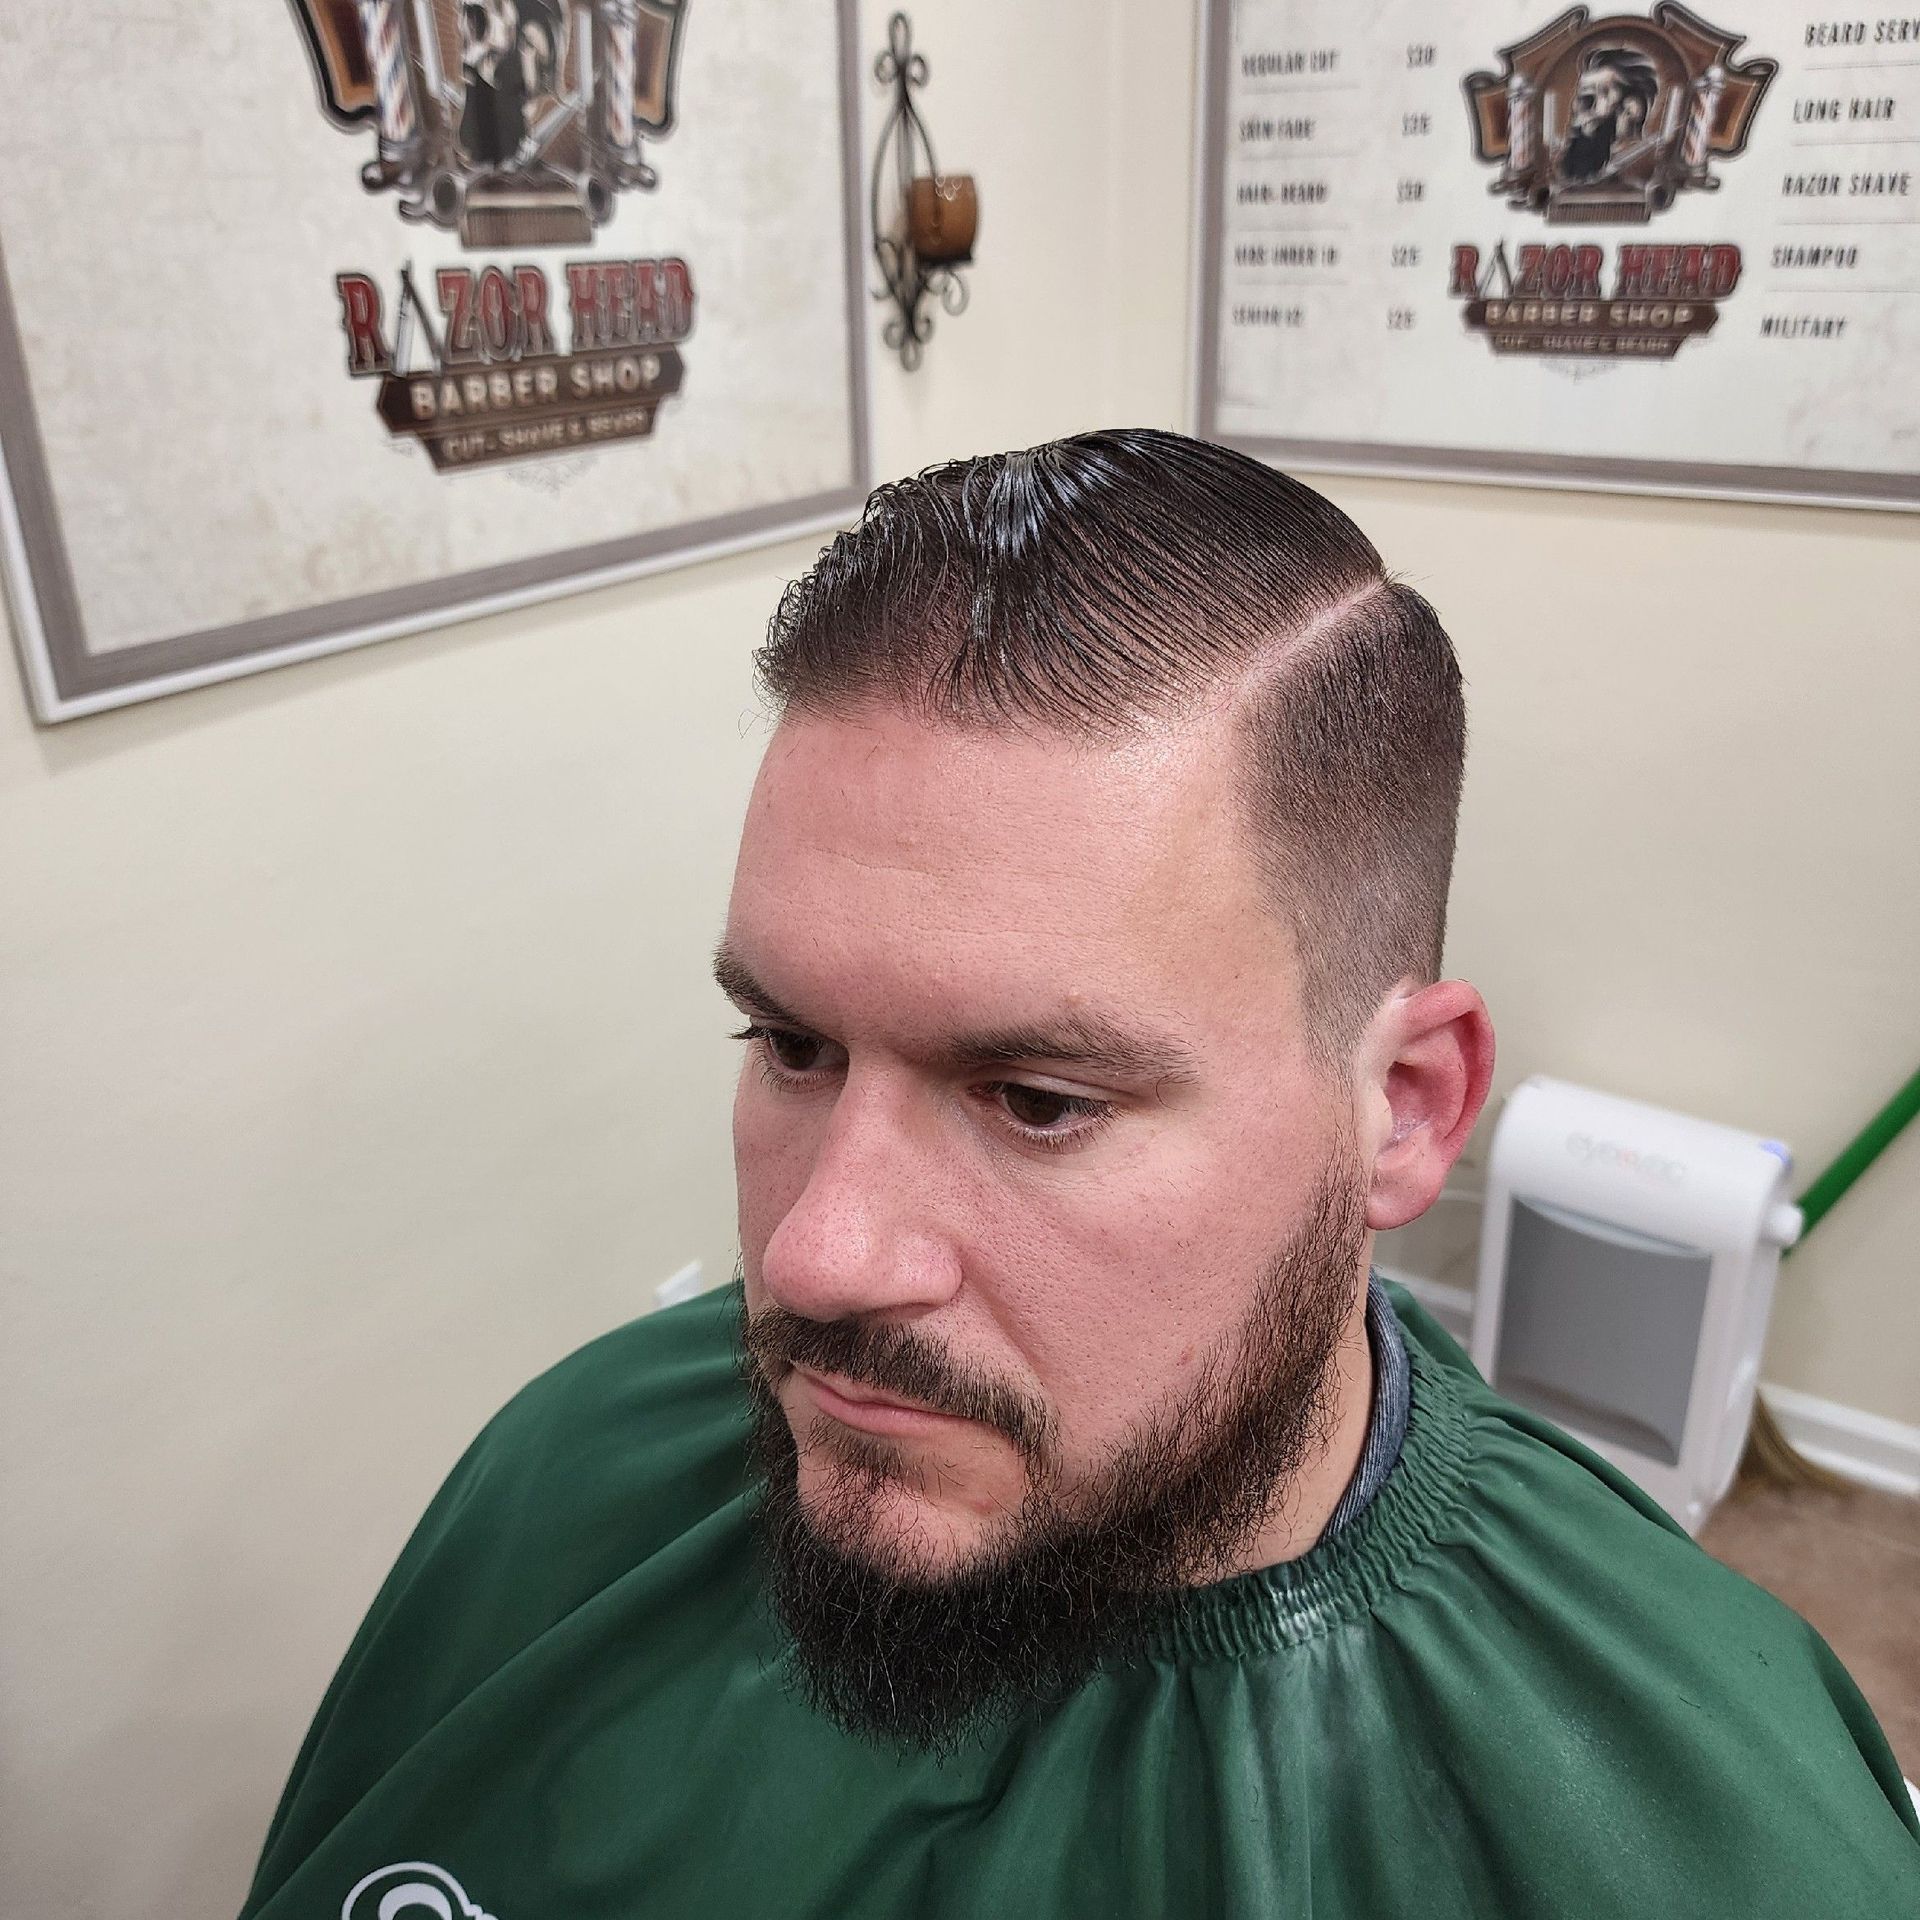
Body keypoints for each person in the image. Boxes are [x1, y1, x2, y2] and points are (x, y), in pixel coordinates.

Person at [238, 431, 1920, 1919]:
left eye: (1036, 1099)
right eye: (793, 1045)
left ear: (1401, 1110)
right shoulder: (568, 1472)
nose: (816, 1259)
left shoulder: (1719, 1842)